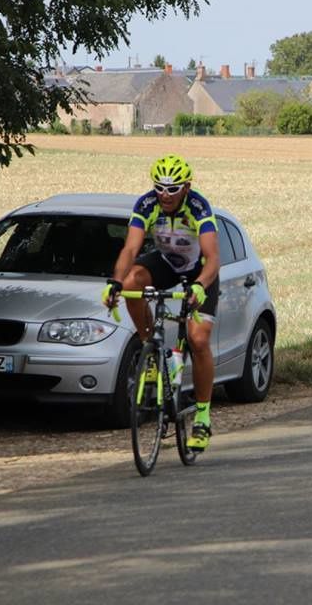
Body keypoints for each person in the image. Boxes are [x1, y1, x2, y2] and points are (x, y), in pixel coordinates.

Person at [102, 154, 220, 452]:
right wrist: (115, 282)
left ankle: (203, 417)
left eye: (172, 189)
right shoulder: (146, 204)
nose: (165, 195)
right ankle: (150, 348)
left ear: (187, 186)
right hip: (167, 263)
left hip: (199, 271)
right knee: (131, 281)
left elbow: (213, 257)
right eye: (159, 187)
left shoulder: (198, 207)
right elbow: (131, 248)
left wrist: (200, 285)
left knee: (198, 338)